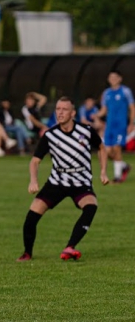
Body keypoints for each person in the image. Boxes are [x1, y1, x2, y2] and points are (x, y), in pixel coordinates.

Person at [18, 97, 108, 262]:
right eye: (58, 109)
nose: (60, 112)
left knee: (91, 206)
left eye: (64, 109)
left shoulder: (86, 131)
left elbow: (102, 148)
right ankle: (27, 253)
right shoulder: (50, 135)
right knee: (31, 217)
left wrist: (103, 171)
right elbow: (35, 160)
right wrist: (33, 180)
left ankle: (70, 247)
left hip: (81, 183)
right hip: (56, 183)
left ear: (72, 113)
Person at [95, 71, 135, 183]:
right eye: (111, 77)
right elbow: (104, 110)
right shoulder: (106, 93)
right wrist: (97, 115)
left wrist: (131, 123)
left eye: (115, 77)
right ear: (108, 79)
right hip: (109, 126)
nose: (113, 79)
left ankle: (117, 177)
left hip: (121, 125)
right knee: (107, 151)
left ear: (120, 78)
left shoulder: (125, 91)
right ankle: (124, 166)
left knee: (117, 148)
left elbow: (132, 108)